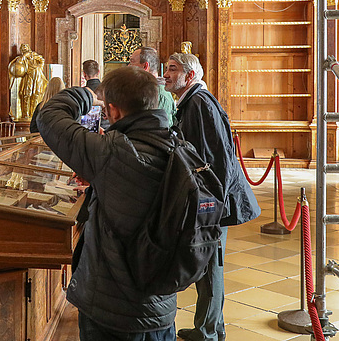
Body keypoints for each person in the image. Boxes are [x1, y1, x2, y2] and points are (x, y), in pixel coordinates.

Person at [37, 67, 177, 341]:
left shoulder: (110, 153)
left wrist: (87, 93)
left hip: (111, 309)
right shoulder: (176, 146)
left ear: (113, 111)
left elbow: (49, 114)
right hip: (160, 306)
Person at [165, 52, 260, 341]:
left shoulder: (200, 104)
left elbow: (218, 159)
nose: (166, 74)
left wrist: (211, 206)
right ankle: (211, 327)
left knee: (209, 265)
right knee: (208, 264)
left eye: (172, 69)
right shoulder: (192, 102)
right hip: (212, 199)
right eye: (166, 68)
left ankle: (207, 332)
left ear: (189, 75)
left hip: (215, 201)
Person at [128, 47, 176, 124]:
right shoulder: (145, 89)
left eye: (132, 62)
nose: (129, 66)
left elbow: (161, 127)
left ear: (145, 66)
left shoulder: (160, 94)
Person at [8, 43, 47, 120]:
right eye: (23, 49)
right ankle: (25, 114)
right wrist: (22, 59)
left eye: (25, 48)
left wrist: (38, 67)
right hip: (28, 77)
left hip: (37, 76)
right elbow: (16, 67)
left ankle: (33, 113)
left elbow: (42, 60)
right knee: (26, 94)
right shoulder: (21, 58)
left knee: (35, 94)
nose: (24, 50)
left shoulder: (34, 55)